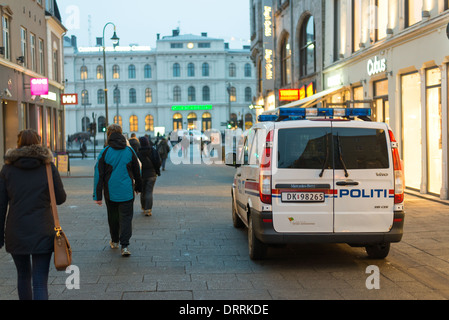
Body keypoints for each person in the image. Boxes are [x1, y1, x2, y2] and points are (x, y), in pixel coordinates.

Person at [0, 129, 67, 300]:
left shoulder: (7, 169)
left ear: (18, 143)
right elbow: (60, 198)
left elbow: (1, 205)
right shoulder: (47, 166)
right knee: (39, 281)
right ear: (39, 142)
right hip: (43, 230)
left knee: (23, 276)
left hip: (16, 232)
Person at [93, 124, 142, 257]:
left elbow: (99, 175)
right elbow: (137, 170)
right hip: (127, 191)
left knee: (113, 217)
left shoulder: (105, 152)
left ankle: (114, 241)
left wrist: (97, 195)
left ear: (108, 134)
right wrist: (138, 187)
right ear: (121, 134)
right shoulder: (129, 151)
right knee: (126, 218)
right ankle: (124, 246)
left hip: (111, 192)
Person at [137, 136, 158, 216]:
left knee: (143, 191)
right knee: (149, 191)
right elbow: (157, 161)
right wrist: (156, 170)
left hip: (142, 175)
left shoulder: (138, 153)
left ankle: (143, 207)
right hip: (152, 174)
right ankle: (148, 209)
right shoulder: (153, 151)